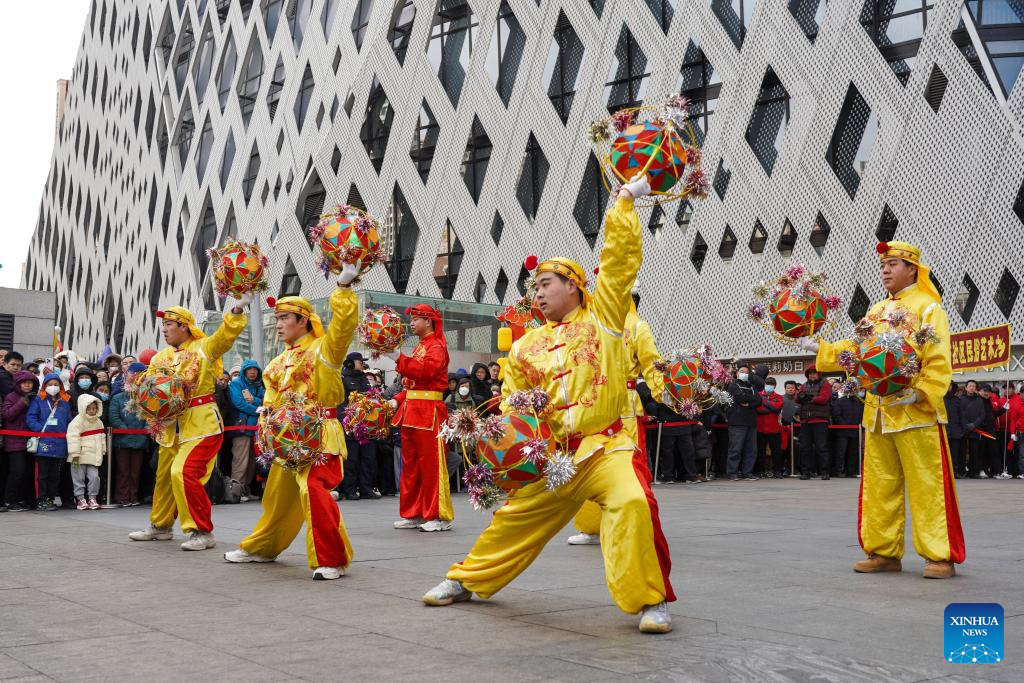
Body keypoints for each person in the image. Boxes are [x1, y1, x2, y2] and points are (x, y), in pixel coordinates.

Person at [422, 174, 676, 633]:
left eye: (545, 283)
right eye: (533, 287)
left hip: (606, 447)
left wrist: (623, 203)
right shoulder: (523, 347)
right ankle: (465, 579)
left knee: (633, 502)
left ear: (575, 287)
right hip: (554, 458)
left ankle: (649, 601)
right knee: (514, 518)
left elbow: (617, 267)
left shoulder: (606, 322)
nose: (536, 293)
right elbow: (515, 406)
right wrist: (502, 448)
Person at [805, 240, 963, 578]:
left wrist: (921, 392)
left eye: (893, 264)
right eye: (883, 265)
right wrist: (822, 349)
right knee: (880, 485)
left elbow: (939, 361)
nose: (886, 270)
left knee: (927, 485)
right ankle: (883, 552)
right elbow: (856, 349)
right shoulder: (876, 311)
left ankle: (939, 556)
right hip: (877, 412)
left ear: (912, 269)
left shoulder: (928, 308)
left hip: (916, 413)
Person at [224, 262, 361, 580]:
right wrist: (268, 431)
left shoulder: (324, 350)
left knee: (314, 488)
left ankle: (332, 559)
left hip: (320, 434)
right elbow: (270, 404)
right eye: (277, 319)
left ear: (304, 320)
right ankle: (262, 546)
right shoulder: (275, 363)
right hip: (286, 440)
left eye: (285, 318)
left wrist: (342, 288)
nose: (279, 325)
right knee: (276, 496)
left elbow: (342, 327)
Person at [128, 295, 250, 550]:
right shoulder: (159, 358)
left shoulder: (204, 347)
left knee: (182, 472)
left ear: (184, 326)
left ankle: (202, 531)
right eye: (163, 326)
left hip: (201, 423)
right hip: (171, 426)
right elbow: (151, 391)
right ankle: (160, 526)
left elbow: (225, 336)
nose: (164, 329)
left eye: (169, 325)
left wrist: (237, 308)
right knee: (163, 477)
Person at [568, 286, 668, 545]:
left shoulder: (637, 327)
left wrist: (668, 395)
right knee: (591, 462)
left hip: (625, 407)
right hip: (593, 405)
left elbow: (652, 365)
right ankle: (590, 527)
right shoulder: (591, 324)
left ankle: (633, 524)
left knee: (630, 465)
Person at [388, 304, 454, 532]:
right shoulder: (421, 346)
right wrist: (396, 399)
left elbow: (423, 372)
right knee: (411, 465)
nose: (412, 323)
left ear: (428, 321)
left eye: (416, 319)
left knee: (431, 465)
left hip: (429, 413)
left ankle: (436, 515)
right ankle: (414, 512)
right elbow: (412, 383)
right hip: (412, 411)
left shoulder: (436, 347)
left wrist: (398, 357)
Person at [26, 373, 73, 511]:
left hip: (60, 444)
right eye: (50, 384)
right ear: (45, 386)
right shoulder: (38, 400)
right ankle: (41, 500)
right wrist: (39, 429)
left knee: (55, 475)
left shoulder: (65, 402)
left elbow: (69, 421)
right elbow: (31, 418)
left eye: (56, 384)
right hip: (44, 442)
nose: (53, 387)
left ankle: (50, 499)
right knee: (42, 474)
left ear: (61, 386)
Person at [341, 351, 380, 500]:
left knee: (368, 458)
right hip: (351, 425)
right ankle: (350, 489)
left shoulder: (364, 378)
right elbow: (341, 403)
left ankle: (366, 488)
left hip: (367, 426)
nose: (362, 364)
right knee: (351, 459)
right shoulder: (343, 379)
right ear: (351, 363)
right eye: (359, 361)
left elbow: (371, 399)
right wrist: (346, 421)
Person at [109, 362, 150, 506]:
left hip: (140, 439)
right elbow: (114, 417)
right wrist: (124, 428)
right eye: (134, 374)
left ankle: (133, 496)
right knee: (123, 470)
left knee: (135, 471)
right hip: (122, 440)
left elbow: (150, 415)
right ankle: (122, 497)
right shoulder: (118, 398)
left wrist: (145, 429)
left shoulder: (146, 397)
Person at [2, 371, 40, 512]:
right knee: (17, 471)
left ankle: (23, 499)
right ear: (18, 384)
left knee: (29, 472)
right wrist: (23, 402)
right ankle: (9, 500)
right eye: (24, 382)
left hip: (31, 440)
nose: (27, 385)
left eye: (30, 383)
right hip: (14, 440)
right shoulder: (11, 397)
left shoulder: (36, 397)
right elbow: (7, 415)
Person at [227, 359, 264, 501]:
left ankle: (245, 490)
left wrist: (254, 401)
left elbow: (264, 400)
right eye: (249, 369)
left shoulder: (259, 385)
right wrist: (257, 409)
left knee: (251, 461)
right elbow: (239, 403)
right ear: (244, 371)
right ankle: (236, 490)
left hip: (255, 428)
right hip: (241, 427)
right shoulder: (236, 383)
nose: (253, 372)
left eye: (255, 369)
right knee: (240, 459)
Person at [66, 394, 107, 510]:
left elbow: (101, 436)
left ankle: (92, 497)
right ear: (83, 408)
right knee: (78, 478)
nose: (91, 411)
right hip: (79, 455)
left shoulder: (99, 422)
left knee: (95, 477)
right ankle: (80, 498)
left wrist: (103, 450)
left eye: (93, 408)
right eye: (88, 408)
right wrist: (74, 453)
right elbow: (73, 437)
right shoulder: (77, 420)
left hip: (93, 454)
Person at [725, 363, 761, 481]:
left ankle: (747, 472)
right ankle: (732, 473)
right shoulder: (733, 385)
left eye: (746, 372)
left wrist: (749, 403)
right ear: (737, 373)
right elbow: (739, 398)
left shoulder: (752, 386)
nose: (744, 374)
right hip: (737, 421)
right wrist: (751, 400)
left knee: (751, 450)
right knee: (736, 448)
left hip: (751, 421)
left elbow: (759, 400)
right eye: (742, 371)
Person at [796, 364, 832, 480]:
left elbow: (824, 398)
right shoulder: (803, 385)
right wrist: (803, 397)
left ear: (818, 374)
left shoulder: (825, 384)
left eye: (814, 373)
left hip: (820, 420)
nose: (812, 375)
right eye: (810, 373)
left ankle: (825, 472)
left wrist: (810, 399)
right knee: (805, 447)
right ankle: (806, 472)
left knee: (821, 447)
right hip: (806, 420)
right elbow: (797, 398)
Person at [831, 388, 864, 477]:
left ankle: (851, 471)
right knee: (841, 452)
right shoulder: (839, 401)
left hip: (855, 430)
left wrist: (859, 424)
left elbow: (862, 415)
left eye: (855, 390)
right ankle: (839, 470)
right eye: (852, 390)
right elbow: (836, 415)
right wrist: (843, 424)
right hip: (842, 430)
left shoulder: (859, 402)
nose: (853, 392)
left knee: (853, 452)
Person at [756, 377, 785, 478]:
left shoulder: (779, 397)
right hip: (760, 428)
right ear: (764, 384)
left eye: (772, 384)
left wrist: (765, 403)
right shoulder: (758, 395)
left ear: (775, 386)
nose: (769, 385)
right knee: (760, 451)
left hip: (774, 429)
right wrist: (772, 407)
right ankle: (760, 471)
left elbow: (778, 407)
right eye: (768, 383)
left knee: (777, 451)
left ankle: (777, 471)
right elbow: (759, 409)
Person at [944, 382, 966, 479]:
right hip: (944, 430)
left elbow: (961, 416)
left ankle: (954, 471)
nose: (948, 387)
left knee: (955, 454)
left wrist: (962, 429)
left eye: (950, 385)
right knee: (944, 454)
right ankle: (945, 473)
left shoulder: (957, 400)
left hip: (956, 431)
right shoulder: (939, 399)